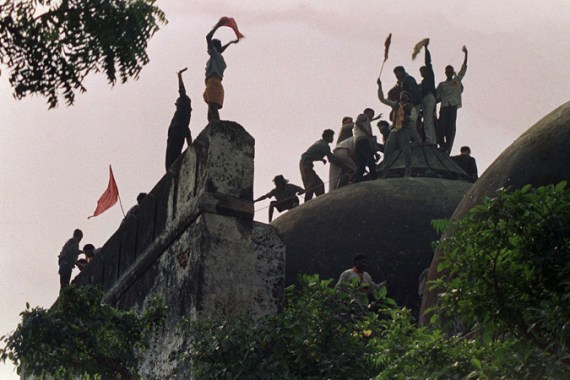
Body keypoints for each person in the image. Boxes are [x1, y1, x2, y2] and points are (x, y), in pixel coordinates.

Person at [378, 79, 421, 177]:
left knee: (406, 151)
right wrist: (380, 86)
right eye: (402, 94)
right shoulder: (396, 105)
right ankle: (384, 172)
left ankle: (408, 172)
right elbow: (382, 99)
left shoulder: (410, 108)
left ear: (408, 97)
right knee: (388, 151)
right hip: (394, 130)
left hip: (404, 130)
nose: (402, 95)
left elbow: (413, 118)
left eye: (405, 94)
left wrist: (405, 117)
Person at [203, 18, 240, 122]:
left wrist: (218, 25)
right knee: (211, 110)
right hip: (216, 84)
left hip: (212, 83)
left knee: (213, 110)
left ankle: (218, 129)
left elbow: (208, 37)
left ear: (214, 48)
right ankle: (213, 128)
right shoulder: (219, 58)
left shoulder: (215, 55)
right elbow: (221, 50)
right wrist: (230, 42)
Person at [436, 45, 468, 155]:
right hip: (444, 106)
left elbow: (463, 69)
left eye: (450, 71)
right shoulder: (442, 84)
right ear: (445, 72)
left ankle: (447, 148)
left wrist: (466, 54)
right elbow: (437, 97)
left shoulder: (457, 81)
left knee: (450, 128)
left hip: (453, 106)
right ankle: (442, 145)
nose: (449, 72)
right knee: (442, 126)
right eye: (447, 71)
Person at [299, 129, 344, 201]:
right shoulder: (325, 145)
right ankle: (307, 203)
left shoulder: (320, 143)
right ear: (326, 137)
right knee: (311, 184)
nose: (332, 139)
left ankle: (321, 201)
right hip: (305, 163)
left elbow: (314, 153)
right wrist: (342, 165)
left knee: (319, 184)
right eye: (331, 137)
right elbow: (331, 158)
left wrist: (321, 159)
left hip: (307, 163)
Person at [165, 68, 192, 170]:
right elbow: (188, 133)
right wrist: (191, 147)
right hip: (175, 134)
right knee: (171, 160)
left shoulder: (183, 109)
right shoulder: (183, 116)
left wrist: (179, 77)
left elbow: (182, 91)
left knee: (171, 159)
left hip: (176, 133)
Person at [353, 108, 379, 182]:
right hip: (363, 139)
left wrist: (376, 118)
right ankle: (374, 176)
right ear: (367, 112)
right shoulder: (363, 116)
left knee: (362, 163)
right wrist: (367, 132)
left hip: (358, 142)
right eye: (372, 113)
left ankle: (358, 179)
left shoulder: (366, 120)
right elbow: (358, 122)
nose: (372, 116)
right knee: (370, 158)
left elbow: (367, 121)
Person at [419, 39, 437, 144]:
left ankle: (430, 140)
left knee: (427, 120)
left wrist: (426, 49)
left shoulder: (430, 77)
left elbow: (428, 62)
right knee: (428, 120)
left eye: (423, 71)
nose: (422, 73)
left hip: (429, 97)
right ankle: (432, 140)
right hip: (427, 99)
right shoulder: (423, 82)